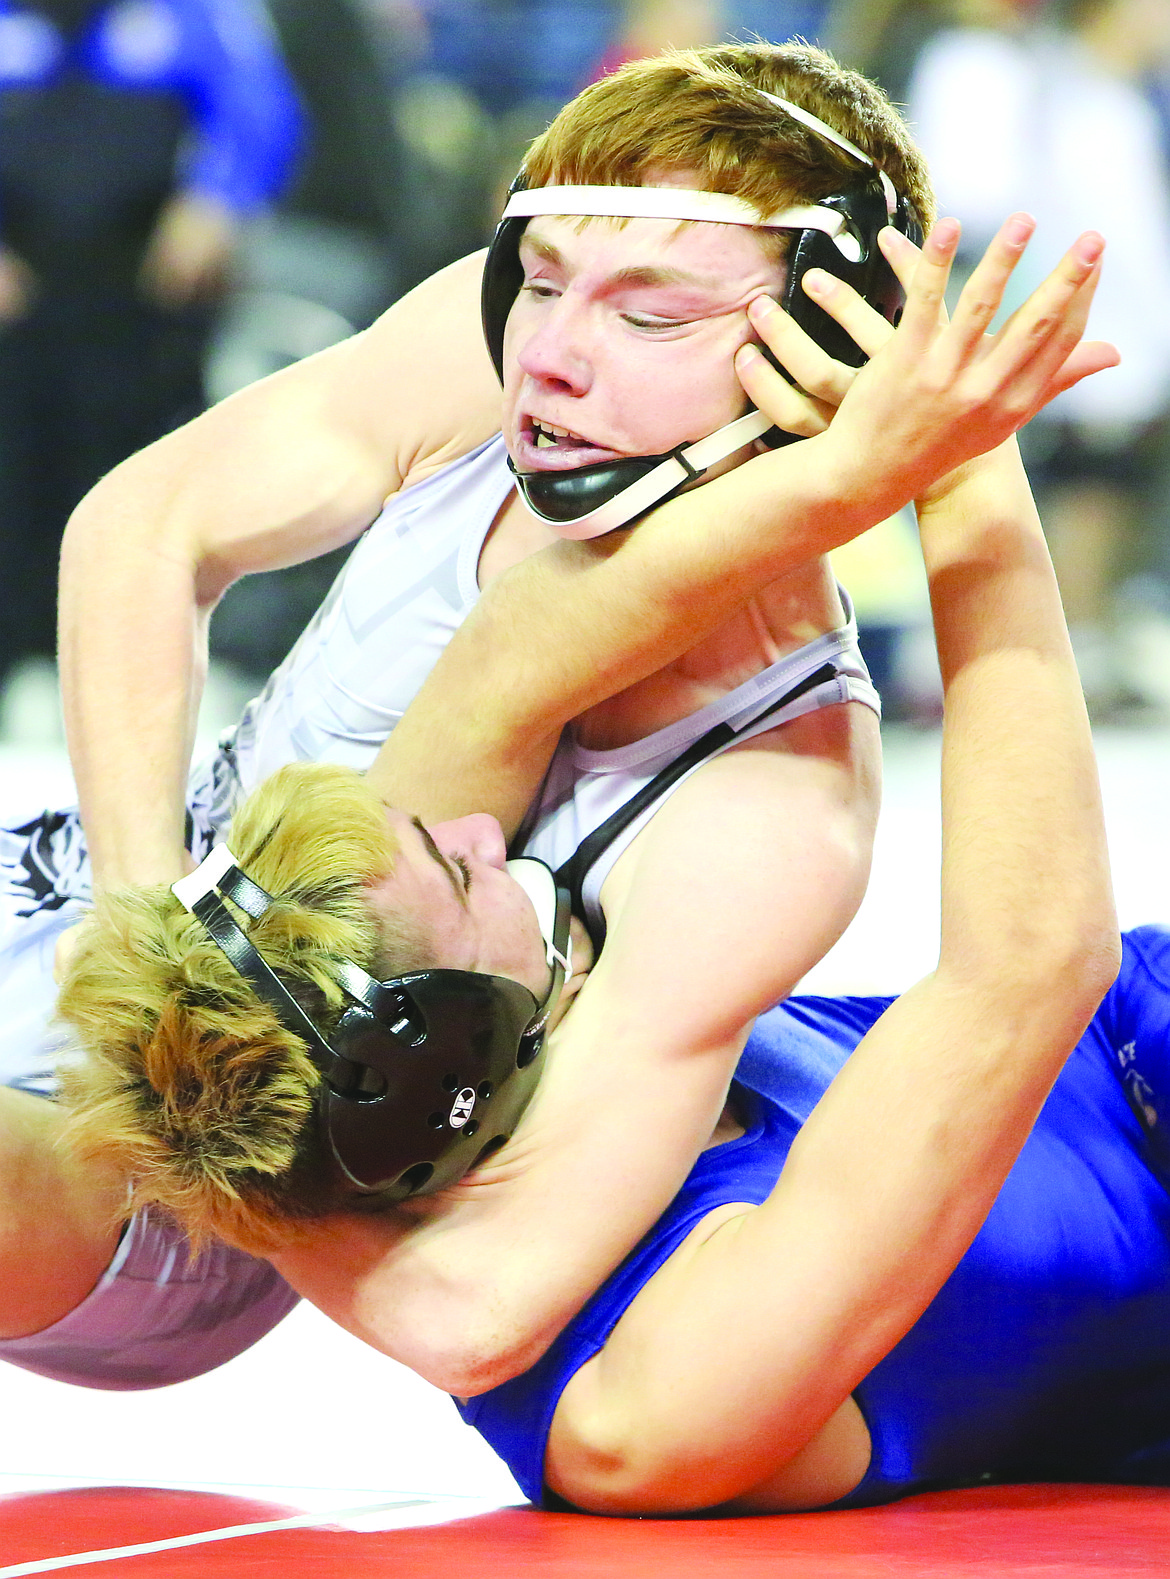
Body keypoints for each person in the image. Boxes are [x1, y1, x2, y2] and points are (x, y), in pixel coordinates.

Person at [0, 46, 1112, 1399]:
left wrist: (191, 1092)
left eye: (653, 318)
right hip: (68, 904)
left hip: (185, 1187)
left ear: (834, 353)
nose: (557, 359)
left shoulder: (773, 798)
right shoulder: (487, 362)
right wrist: (149, 931)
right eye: (538, 278)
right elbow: (142, 525)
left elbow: (479, 1306)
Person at [0, 0, 302, 697]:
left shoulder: (187, 15)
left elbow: (258, 110)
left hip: (143, 295)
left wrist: (218, 199)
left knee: (138, 476)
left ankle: (136, 665)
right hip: (20, 299)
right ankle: (18, 662)